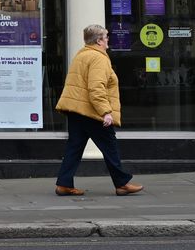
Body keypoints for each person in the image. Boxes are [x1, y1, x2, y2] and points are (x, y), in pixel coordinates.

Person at [54, 24, 143, 197]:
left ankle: (64, 184)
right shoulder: (98, 58)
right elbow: (96, 88)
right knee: (110, 147)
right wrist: (105, 112)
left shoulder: (82, 55)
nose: (108, 39)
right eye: (106, 37)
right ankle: (122, 184)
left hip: (77, 110)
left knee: (74, 148)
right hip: (91, 112)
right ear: (99, 41)